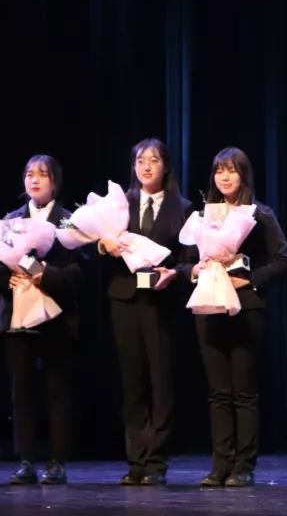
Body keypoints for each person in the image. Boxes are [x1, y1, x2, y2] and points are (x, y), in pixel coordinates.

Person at [193, 147, 287, 487]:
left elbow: (284, 260)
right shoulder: (204, 216)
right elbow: (185, 260)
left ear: (244, 175)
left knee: (244, 392)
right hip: (209, 307)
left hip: (246, 308)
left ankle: (243, 466)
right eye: (219, 170)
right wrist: (194, 269)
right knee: (218, 392)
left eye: (231, 170)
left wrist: (250, 280)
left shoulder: (259, 214)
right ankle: (220, 464)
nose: (224, 177)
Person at [99, 138, 194, 486]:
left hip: (161, 301)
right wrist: (103, 244)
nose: (146, 166)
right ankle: (136, 460)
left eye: (153, 160)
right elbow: (95, 247)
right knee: (132, 380)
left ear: (165, 166)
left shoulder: (182, 207)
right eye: (140, 161)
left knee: (161, 381)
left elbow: (190, 258)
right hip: (125, 298)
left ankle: (156, 461)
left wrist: (175, 273)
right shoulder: (119, 204)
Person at [0, 155, 84, 486]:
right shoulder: (11, 220)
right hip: (17, 315)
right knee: (22, 391)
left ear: (55, 182)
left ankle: (57, 462)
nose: (35, 180)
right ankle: (25, 460)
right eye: (29, 174)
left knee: (58, 390)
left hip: (56, 315)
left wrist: (47, 275)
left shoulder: (69, 220)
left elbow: (80, 270)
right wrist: (7, 277)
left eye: (42, 174)